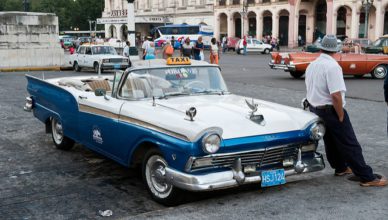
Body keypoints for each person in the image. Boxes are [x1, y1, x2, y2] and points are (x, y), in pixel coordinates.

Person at [305, 35, 387, 187]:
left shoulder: (313, 65)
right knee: (350, 143)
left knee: (330, 141)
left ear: (322, 48)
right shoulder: (332, 67)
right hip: (331, 109)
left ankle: (340, 167)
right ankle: (366, 176)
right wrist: (341, 114)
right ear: (336, 50)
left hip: (316, 109)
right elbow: (336, 95)